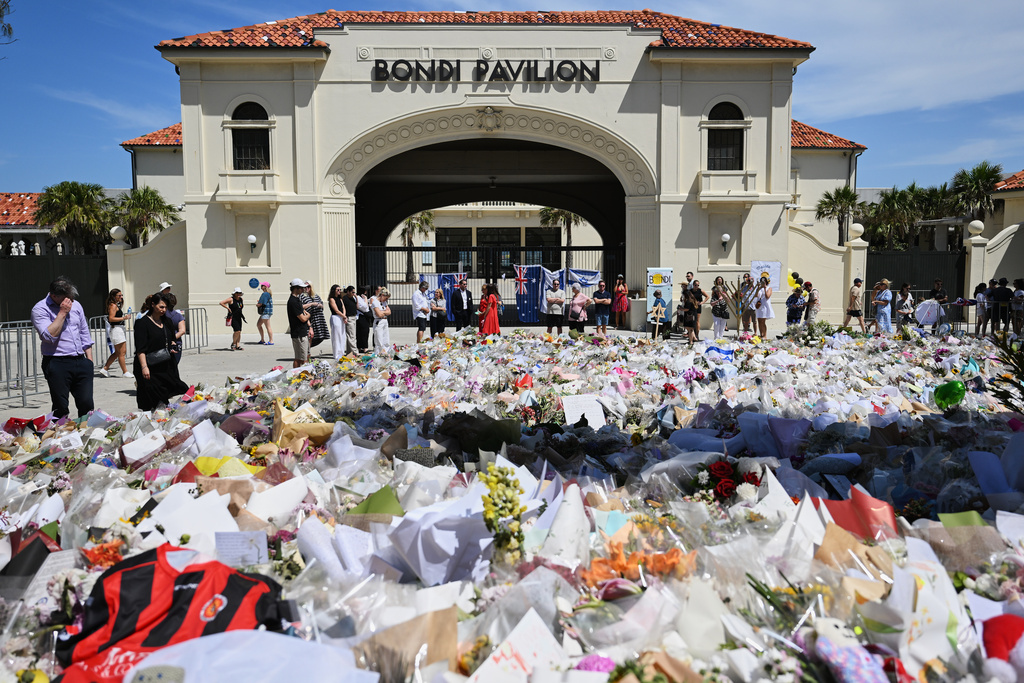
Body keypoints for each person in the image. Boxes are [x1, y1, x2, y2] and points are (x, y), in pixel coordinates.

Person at [31, 277, 94, 418]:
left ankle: (86, 433)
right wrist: (62, 313)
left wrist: (89, 360)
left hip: (81, 361)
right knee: (61, 406)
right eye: (67, 298)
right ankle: (61, 436)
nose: (70, 301)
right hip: (57, 362)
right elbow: (48, 336)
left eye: (71, 297)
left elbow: (84, 332)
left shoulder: (76, 305)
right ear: (54, 296)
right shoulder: (40, 308)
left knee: (87, 403)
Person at [133, 292, 188, 411]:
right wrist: (144, 367)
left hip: (165, 364)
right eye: (161, 307)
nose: (164, 310)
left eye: (165, 307)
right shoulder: (142, 323)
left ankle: (162, 418)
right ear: (153, 305)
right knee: (150, 399)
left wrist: (171, 348)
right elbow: (140, 348)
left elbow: (171, 339)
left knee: (175, 389)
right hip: (149, 366)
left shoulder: (166, 321)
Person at [99, 288, 132, 379]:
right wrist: (124, 318)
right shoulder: (113, 305)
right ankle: (125, 372)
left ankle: (105, 368)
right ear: (114, 296)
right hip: (116, 330)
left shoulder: (115, 305)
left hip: (118, 329)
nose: (121, 297)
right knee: (122, 352)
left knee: (118, 353)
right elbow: (111, 319)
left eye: (121, 295)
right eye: (119, 295)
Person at [287, 279, 311, 367]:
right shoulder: (293, 301)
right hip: (298, 334)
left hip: (301, 332)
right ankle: (299, 376)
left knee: (303, 356)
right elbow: (303, 318)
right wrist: (308, 316)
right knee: (301, 359)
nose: (303, 290)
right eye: (301, 288)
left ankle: (299, 375)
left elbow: (302, 312)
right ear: (296, 288)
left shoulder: (297, 300)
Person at [304, 282, 329, 350]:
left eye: (308, 286)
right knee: (309, 337)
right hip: (308, 319)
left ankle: (307, 351)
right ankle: (307, 352)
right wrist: (311, 304)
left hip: (318, 320)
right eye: (305, 286)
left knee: (320, 338)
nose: (306, 288)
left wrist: (319, 305)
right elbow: (300, 307)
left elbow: (322, 305)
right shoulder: (302, 296)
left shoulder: (316, 296)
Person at [165, 293, 187, 366]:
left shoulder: (160, 315)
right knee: (174, 366)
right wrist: (172, 338)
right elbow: (182, 330)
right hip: (176, 343)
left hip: (163, 344)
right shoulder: (178, 316)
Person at [328, 284, 347, 360]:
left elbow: (343, 308)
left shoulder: (340, 299)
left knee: (342, 335)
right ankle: (337, 354)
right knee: (336, 336)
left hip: (341, 317)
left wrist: (344, 316)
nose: (339, 291)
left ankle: (342, 352)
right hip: (335, 317)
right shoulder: (331, 299)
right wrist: (343, 316)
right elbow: (336, 310)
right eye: (338, 290)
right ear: (334, 291)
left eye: (340, 290)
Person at [355, 285, 373, 353]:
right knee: (362, 333)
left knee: (364, 333)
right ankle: (364, 348)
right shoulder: (359, 298)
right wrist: (365, 299)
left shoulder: (361, 298)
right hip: (361, 317)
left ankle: (361, 347)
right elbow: (365, 307)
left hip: (364, 317)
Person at [342, 286, 359, 354]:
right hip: (349, 318)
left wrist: (356, 298)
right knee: (351, 336)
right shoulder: (345, 298)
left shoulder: (353, 298)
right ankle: (355, 352)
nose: (353, 293)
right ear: (348, 292)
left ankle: (349, 352)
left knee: (352, 335)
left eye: (354, 292)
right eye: (352, 292)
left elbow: (357, 307)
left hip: (354, 317)